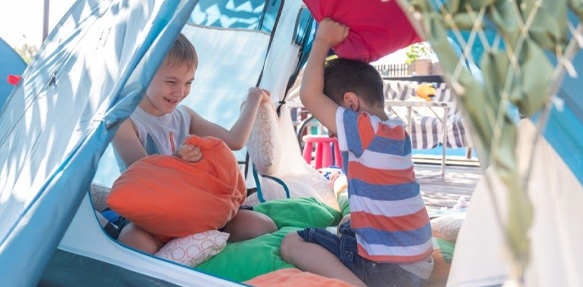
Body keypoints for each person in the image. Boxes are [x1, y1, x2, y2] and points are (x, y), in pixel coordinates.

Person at [280, 19, 434, 287]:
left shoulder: (363, 128)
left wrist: (322, 42)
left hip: (388, 269)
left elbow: (309, 96)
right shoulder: (396, 131)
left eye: (332, 122)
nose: (331, 132)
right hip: (418, 262)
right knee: (348, 224)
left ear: (351, 104)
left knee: (292, 243)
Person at [110, 33, 277, 254]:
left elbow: (235, 141)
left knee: (260, 225)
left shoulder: (184, 116)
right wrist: (177, 161)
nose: (180, 92)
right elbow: (143, 174)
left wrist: (254, 98)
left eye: (188, 83)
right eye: (171, 82)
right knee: (134, 241)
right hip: (149, 213)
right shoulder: (124, 121)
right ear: (144, 75)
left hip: (193, 207)